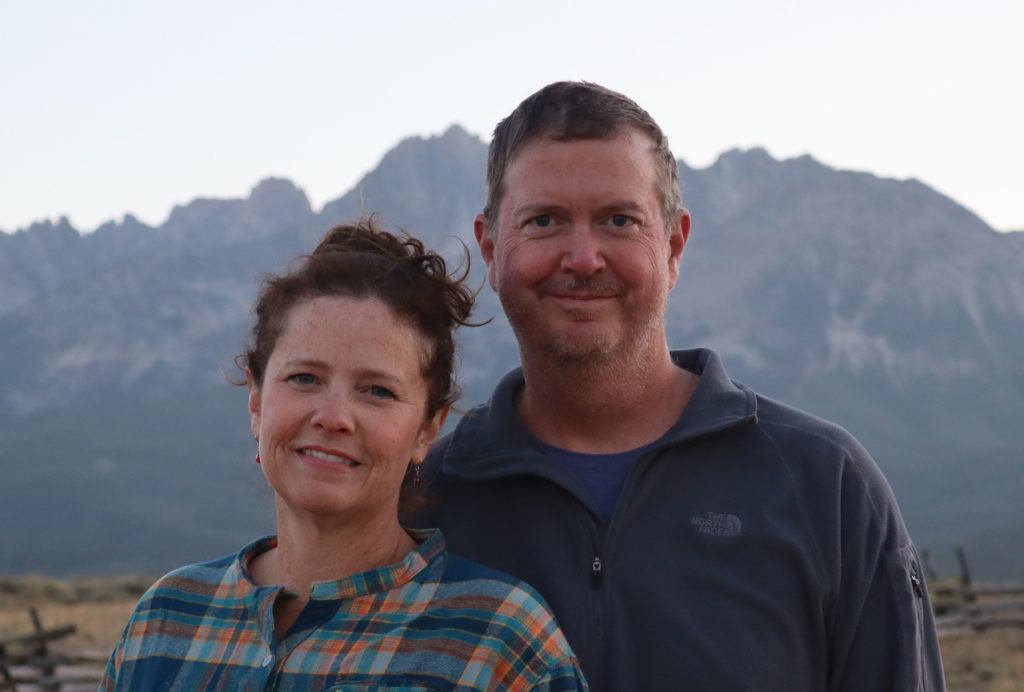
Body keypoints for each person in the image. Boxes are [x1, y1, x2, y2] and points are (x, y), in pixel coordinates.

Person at [418, 81, 946, 691]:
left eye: (619, 220)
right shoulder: (429, 499)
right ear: (490, 247)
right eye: (544, 221)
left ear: (672, 246)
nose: (583, 257)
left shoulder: (827, 487)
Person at [101, 218, 589, 691]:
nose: (333, 417)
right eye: (304, 379)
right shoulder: (166, 620)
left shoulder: (496, 640)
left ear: (427, 429)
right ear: (256, 401)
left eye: (377, 391)